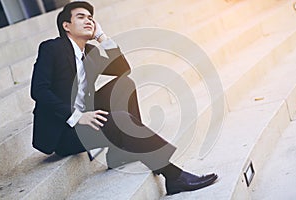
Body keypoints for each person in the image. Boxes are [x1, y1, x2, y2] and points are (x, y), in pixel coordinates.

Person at [30, 1, 218, 195]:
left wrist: (102, 38)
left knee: (124, 84)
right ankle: (173, 176)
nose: (88, 20)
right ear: (66, 25)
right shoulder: (52, 48)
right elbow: (39, 91)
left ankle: (123, 150)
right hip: (64, 132)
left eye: (90, 18)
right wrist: (77, 116)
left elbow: (122, 69)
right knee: (120, 119)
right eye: (81, 17)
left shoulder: (90, 51)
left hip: (88, 118)